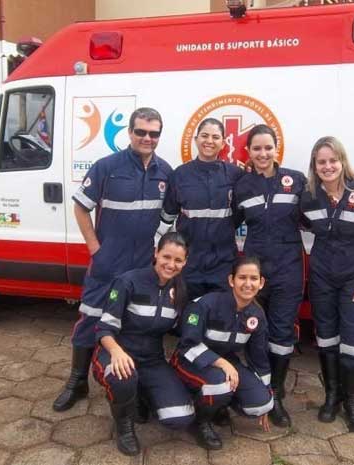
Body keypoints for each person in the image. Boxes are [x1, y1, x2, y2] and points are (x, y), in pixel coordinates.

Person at [53, 108, 173, 412]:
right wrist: (96, 249)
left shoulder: (165, 172)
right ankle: (77, 381)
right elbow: (81, 208)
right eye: (141, 132)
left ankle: (134, 382)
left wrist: (158, 249)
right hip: (108, 263)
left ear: (159, 135)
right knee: (90, 318)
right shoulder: (106, 167)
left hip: (143, 266)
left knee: (134, 323)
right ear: (130, 133)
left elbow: (169, 216)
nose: (147, 138)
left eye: (153, 133)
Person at [300, 136, 354, 433]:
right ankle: (331, 397)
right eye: (321, 162)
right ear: (315, 166)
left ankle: (353, 403)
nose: (327, 166)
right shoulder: (308, 196)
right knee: (326, 341)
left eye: (332, 160)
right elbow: (301, 224)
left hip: (353, 281)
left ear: (342, 161)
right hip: (322, 277)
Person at [92, 232, 195, 456]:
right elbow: (104, 328)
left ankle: (142, 394)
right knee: (123, 376)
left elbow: (180, 329)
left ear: (185, 262)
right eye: (166, 256)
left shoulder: (180, 290)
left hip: (151, 360)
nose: (171, 264)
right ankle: (124, 425)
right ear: (156, 253)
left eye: (178, 260)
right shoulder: (128, 281)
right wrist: (116, 352)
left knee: (180, 417)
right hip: (115, 352)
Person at [233, 124, 307, 427]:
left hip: (288, 268)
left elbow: (313, 217)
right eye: (256, 148)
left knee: (281, 334)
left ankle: (276, 396)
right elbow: (231, 223)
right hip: (254, 270)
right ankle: (253, 391)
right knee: (251, 331)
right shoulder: (242, 185)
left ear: (277, 149)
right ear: (248, 152)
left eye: (268, 147)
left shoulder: (296, 181)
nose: (262, 154)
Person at [172, 256, 273, 450]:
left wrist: (267, 392)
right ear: (231, 280)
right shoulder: (204, 305)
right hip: (190, 360)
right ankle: (200, 423)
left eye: (253, 279)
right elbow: (188, 345)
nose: (248, 284)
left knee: (261, 404)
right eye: (242, 277)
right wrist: (221, 363)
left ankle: (218, 404)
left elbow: (259, 357)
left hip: (225, 363)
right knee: (221, 384)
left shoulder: (256, 315)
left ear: (261, 283)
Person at [158, 118, 243, 300]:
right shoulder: (179, 175)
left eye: (215, 137)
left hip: (224, 264)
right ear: (196, 139)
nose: (209, 141)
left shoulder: (236, 175)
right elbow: (167, 218)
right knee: (188, 319)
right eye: (204, 136)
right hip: (189, 264)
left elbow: (239, 216)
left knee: (219, 319)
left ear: (223, 142)